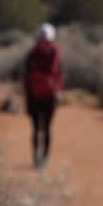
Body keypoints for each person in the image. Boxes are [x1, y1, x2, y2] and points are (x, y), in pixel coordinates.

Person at [23, 22, 63, 168]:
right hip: (50, 95)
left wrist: (27, 98)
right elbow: (59, 75)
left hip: (34, 95)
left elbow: (26, 78)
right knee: (47, 128)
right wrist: (59, 93)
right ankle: (45, 158)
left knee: (35, 128)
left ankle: (35, 157)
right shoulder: (55, 51)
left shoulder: (32, 53)